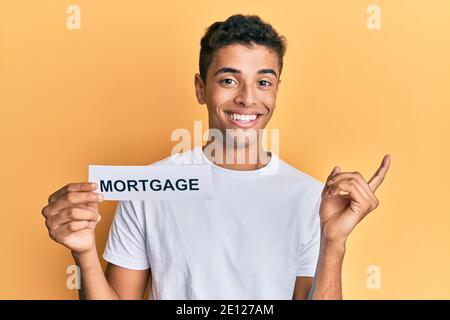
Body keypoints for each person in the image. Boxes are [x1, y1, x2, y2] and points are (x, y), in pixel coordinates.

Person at [41, 14, 390, 299]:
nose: (248, 98)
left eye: (264, 82)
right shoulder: (150, 187)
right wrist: (84, 255)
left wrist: (335, 243)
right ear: (200, 88)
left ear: (277, 90)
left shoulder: (311, 198)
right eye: (229, 80)